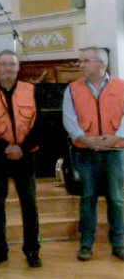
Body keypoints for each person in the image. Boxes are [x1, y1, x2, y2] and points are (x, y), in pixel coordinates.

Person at [0, 50, 41, 268]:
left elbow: (40, 123)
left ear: (18, 67)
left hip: (25, 156)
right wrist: (4, 147)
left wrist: (22, 148)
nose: (7, 68)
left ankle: (32, 250)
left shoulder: (31, 90)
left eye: (12, 64)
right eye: (3, 64)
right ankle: (0, 250)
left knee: (29, 205)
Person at [62, 46, 124, 262]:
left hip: (115, 152)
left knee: (116, 199)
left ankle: (119, 243)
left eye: (85, 60)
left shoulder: (121, 86)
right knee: (88, 198)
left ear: (101, 63)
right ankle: (86, 244)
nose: (81, 64)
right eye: (81, 61)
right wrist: (84, 138)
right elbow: (69, 119)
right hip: (85, 153)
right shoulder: (72, 89)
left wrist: (117, 137)